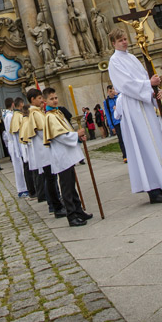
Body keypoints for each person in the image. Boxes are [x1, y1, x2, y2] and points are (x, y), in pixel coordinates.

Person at [107, 28, 162, 204]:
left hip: (144, 105)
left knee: (156, 143)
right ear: (113, 43)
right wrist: (148, 84)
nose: (124, 42)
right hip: (133, 107)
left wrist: (153, 91)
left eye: (125, 39)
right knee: (145, 146)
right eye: (120, 40)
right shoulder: (114, 61)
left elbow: (142, 79)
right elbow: (126, 84)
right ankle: (153, 190)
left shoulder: (132, 58)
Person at [42, 88, 92, 227]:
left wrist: (77, 137)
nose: (55, 100)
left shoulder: (57, 112)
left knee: (72, 184)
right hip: (61, 155)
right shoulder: (50, 116)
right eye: (51, 99)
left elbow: (66, 130)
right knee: (66, 187)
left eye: (56, 97)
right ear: (45, 101)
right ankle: (71, 215)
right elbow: (59, 136)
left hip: (66, 154)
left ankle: (78, 210)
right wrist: (76, 134)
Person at [20, 86, 66, 217]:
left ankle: (55, 203)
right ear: (32, 99)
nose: (42, 100)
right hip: (44, 150)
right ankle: (56, 206)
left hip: (44, 150)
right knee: (50, 179)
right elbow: (43, 131)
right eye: (40, 98)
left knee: (50, 178)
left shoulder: (36, 112)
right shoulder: (35, 113)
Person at [2, 98, 29, 197]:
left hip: (13, 142)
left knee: (19, 165)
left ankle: (23, 187)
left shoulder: (7, 115)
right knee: (19, 166)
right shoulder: (10, 116)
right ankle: (23, 188)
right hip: (15, 142)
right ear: (13, 104)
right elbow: (13, 131)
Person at [103, 85, 126, 161]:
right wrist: (111, 126)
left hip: (123, 119)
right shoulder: (106, 102)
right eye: (110, 91)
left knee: (126, 137)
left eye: (112, 90)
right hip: (115, 122)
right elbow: (108, 114)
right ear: (107, 92)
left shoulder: (118, 97)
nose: (112, 92)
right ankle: (124, 155)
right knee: (121, 139)